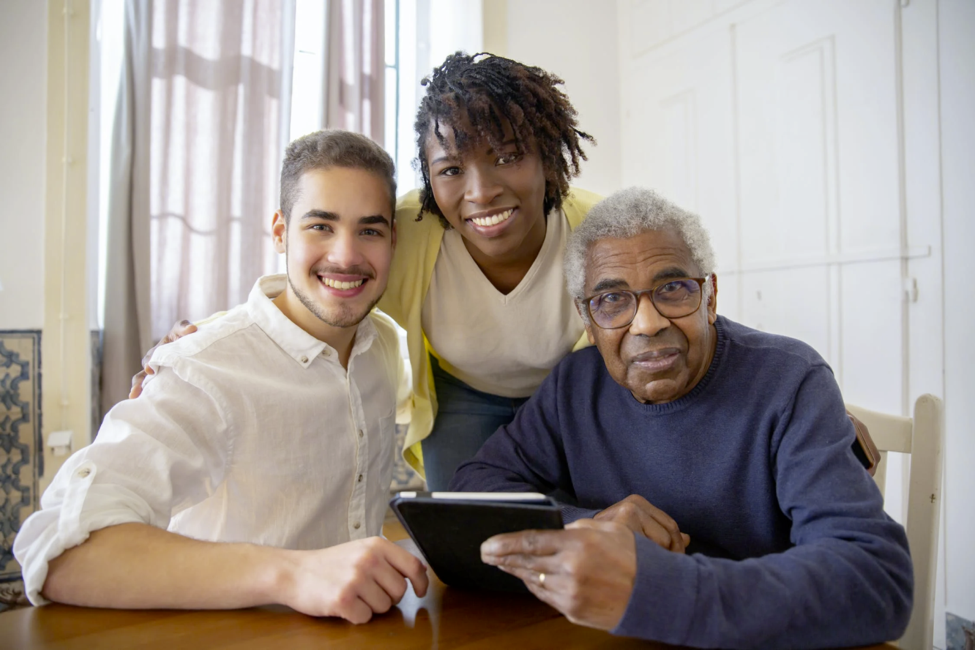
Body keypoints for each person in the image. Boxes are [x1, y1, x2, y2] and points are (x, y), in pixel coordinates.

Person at [450, 187, 914, 649]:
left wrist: (649, 588)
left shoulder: (789, 381)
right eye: (612, 299)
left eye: (672, 289)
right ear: (587, 322)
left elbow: (874, 579)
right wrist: (586, 526)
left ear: (710, 297)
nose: (647, 323)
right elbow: (475, 486)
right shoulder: (575, 385)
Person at [131, 52, 602, 490]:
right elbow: (315, 289)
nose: (480, 192)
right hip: (465, 393)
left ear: (548, 158)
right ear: (431, 178)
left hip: (569, 391)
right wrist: (195, 339)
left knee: (583, 515)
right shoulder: (407, 232)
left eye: (507, 157)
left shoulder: (601, 233)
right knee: (467, 530)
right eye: (452, 170)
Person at [13, 130, 429, 623]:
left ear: (392, 240)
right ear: (280, 232)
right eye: (320, 226)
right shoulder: (202, 369)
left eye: (370, 230)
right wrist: (291, 574)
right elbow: (58, 551)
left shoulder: (382, 344)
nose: (345, 255)